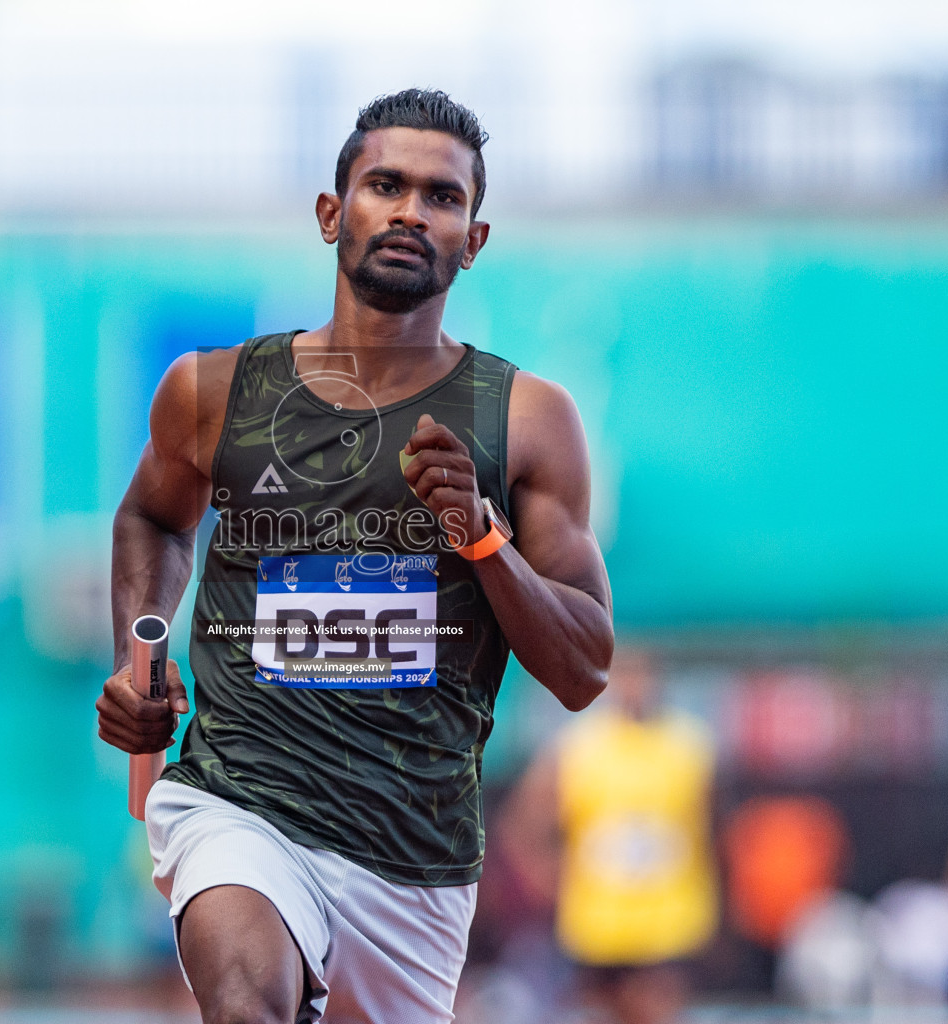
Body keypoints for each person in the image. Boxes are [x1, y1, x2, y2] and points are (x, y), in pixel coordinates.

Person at [96, 88, 614, 1024]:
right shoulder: (212, 392)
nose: (413, 210)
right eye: (386, 185)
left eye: (442, 197)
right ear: (334, 214)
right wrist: (139, 655)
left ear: (474, 238)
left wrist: (483, 541)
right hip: (239, 801)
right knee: (248, 1004)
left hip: (412, 859)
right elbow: (153, 518)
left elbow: (584, 666)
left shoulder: (529, 421)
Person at [499, 650, 717, 1024]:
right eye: (626, 677)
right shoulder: (579, 746)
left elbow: (713, 830)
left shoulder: (690, 745)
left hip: (669, 926)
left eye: (642, 676)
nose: (635, 687)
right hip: (598, 927)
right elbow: (523, 824)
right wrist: (549, 879)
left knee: (654, 1011)